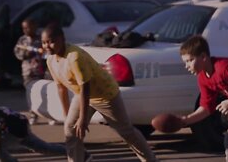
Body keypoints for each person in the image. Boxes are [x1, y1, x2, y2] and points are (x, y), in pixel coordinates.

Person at [41, 26, 157, 162]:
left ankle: (150, 159)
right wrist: (67, 116)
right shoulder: (51, 60)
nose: (47, 46)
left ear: (62, 39)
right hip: (83, 96)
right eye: (44, 43)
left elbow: (86, 87)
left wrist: (83, 120)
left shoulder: (74, 57)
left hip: (105, 95)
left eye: (51, 41)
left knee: (126, 132)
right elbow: (61, 88)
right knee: (70, 131)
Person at [13, 18, 56, 126]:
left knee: (46, 92)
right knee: (31, 93)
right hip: (28, 71)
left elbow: (48, 52)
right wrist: (27, 52)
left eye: (28, 27)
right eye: (24, 28)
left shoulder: (41, 38)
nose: (26, 30)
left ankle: (50, 115)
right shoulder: (22, 40)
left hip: (42, 70)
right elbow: (18, 54)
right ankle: (33, 115)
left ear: (35, 26)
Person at [0, 106, 66, 162]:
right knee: (43, 148)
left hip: (15, 130)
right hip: (17, 125)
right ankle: (69, 151)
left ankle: (70, 151)